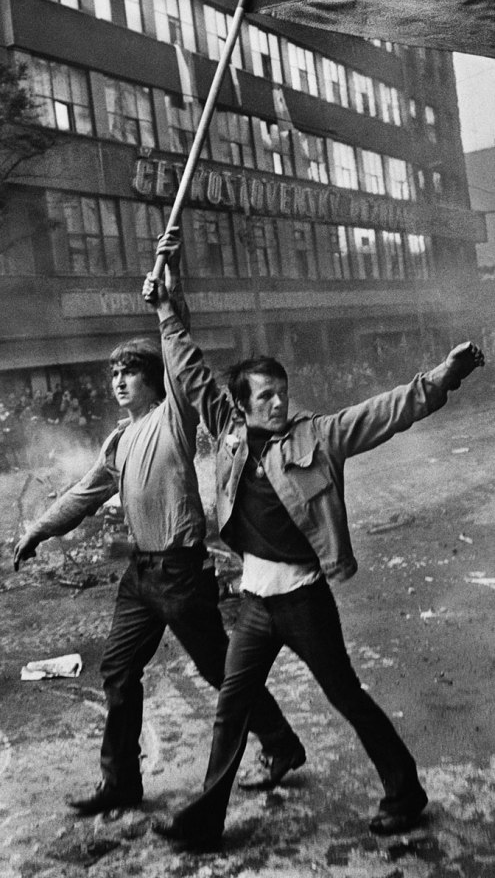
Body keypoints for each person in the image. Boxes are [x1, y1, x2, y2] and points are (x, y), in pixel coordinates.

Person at [144, 232, 485, 849]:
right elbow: (191, 371)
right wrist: (167, 311)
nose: (278, 402)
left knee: (345, 696)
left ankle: (404, 793)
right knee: (232, 704)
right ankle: (206, 818)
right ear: (242, 406)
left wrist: (443, 376)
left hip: (303, 600)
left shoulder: (320, 435)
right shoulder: (226, 429)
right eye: (265, 396)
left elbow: (388, 409)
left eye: (282, 392)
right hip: (253, 604)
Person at [13, 242, 302, 817]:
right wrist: (39, 530)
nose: (120, 382)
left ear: (152, 380)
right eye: (115, 374)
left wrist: (169, 288)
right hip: (141, 576)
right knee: (118, 671)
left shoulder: (173, 416)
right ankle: (120, 783)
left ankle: (280, 744)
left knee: (219, 669)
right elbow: (83, 495)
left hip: (180, 568)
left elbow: (181, 355)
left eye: (131, 373)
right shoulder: (118, 441)